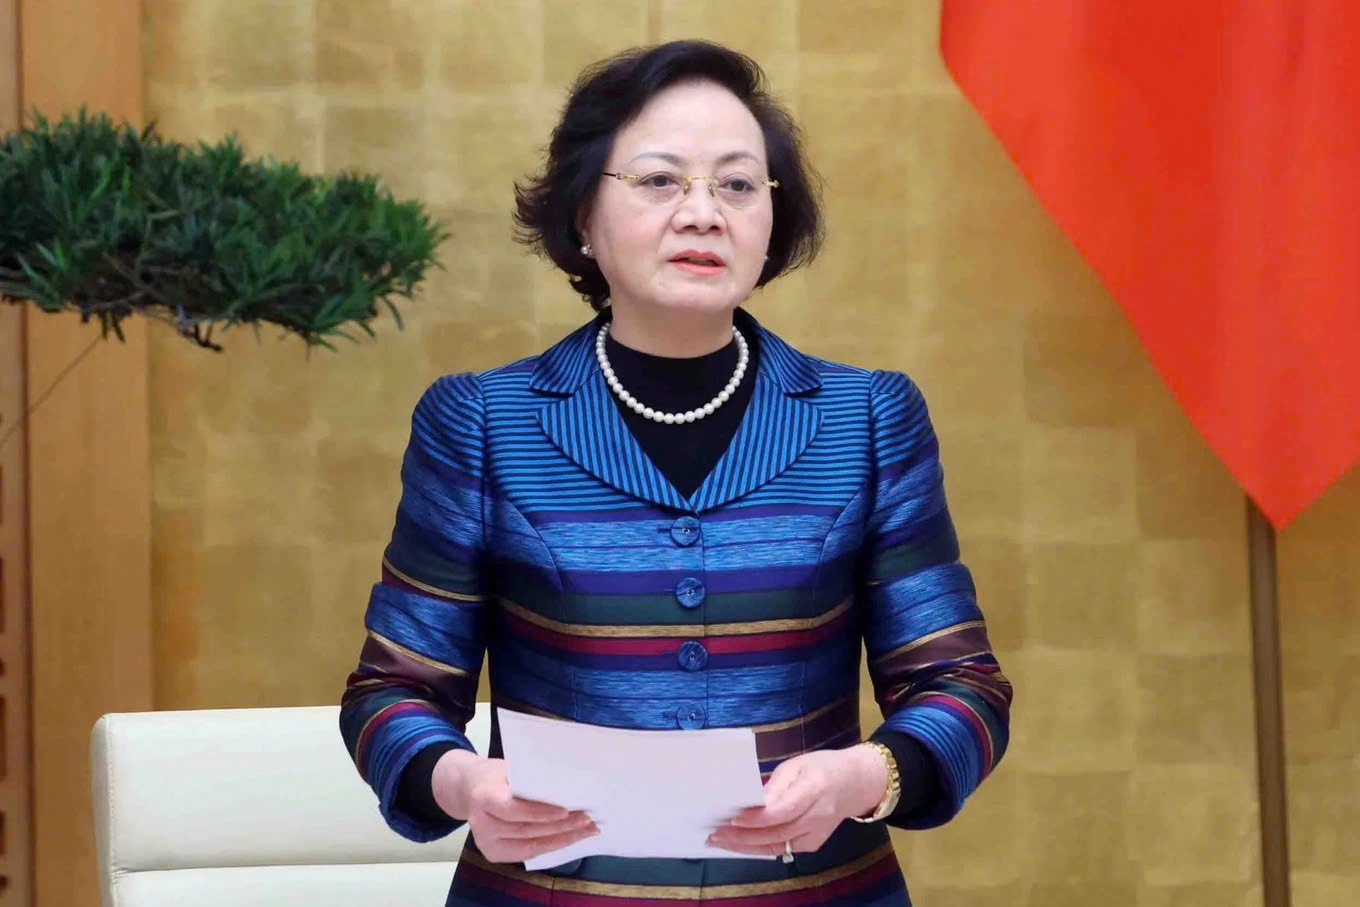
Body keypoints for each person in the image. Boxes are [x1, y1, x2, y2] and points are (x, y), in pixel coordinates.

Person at [340, 39, 1012, 907]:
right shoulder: (482, 423)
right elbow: (393, 691)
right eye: (660, 180)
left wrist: (864, 775)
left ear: (772, 221)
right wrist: (463, 783)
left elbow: (961, 686)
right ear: (583, 217)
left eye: (737, 185)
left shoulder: (867, 419)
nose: (703, 213)